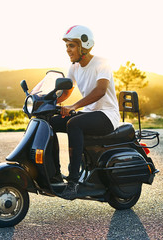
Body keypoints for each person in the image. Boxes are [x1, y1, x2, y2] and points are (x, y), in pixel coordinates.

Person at [50, 25, 120, 200]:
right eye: (66, 46)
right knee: (51, 122)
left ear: (84, 46)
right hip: (89, 114)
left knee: (73, 123)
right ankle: (53, 173)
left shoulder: (102, 63)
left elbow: (100, 91)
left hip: (107, 116)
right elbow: (66, 92)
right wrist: (45, 100)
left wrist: (74, 107)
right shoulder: (73, 67)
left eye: (71, 45)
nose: (68, 50)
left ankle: (73, 182)